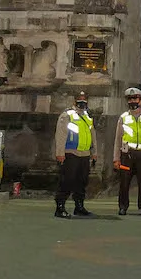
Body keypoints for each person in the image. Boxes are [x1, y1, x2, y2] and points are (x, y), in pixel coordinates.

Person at [113, 86, 141, 215]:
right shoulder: (123, 117)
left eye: (135, 98)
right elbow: (117, 140)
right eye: (130, 99)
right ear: (127, 101)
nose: (133, 101)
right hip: (127, 155)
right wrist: (116, 158)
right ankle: (123, 207)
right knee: (124, 182)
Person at [54, 90, 97, 218]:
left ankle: (79, 206)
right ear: (75, 101)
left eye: (84, 99)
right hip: (70, 153)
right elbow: (61, 135)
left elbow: (93, 135)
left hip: (84, 154)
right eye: (80, 99)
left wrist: (94, 152)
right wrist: (60, 153)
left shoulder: (87, 116)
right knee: (67, 180)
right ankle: (60, 207)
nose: (82, 102)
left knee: (82, 181)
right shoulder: (67, 115)